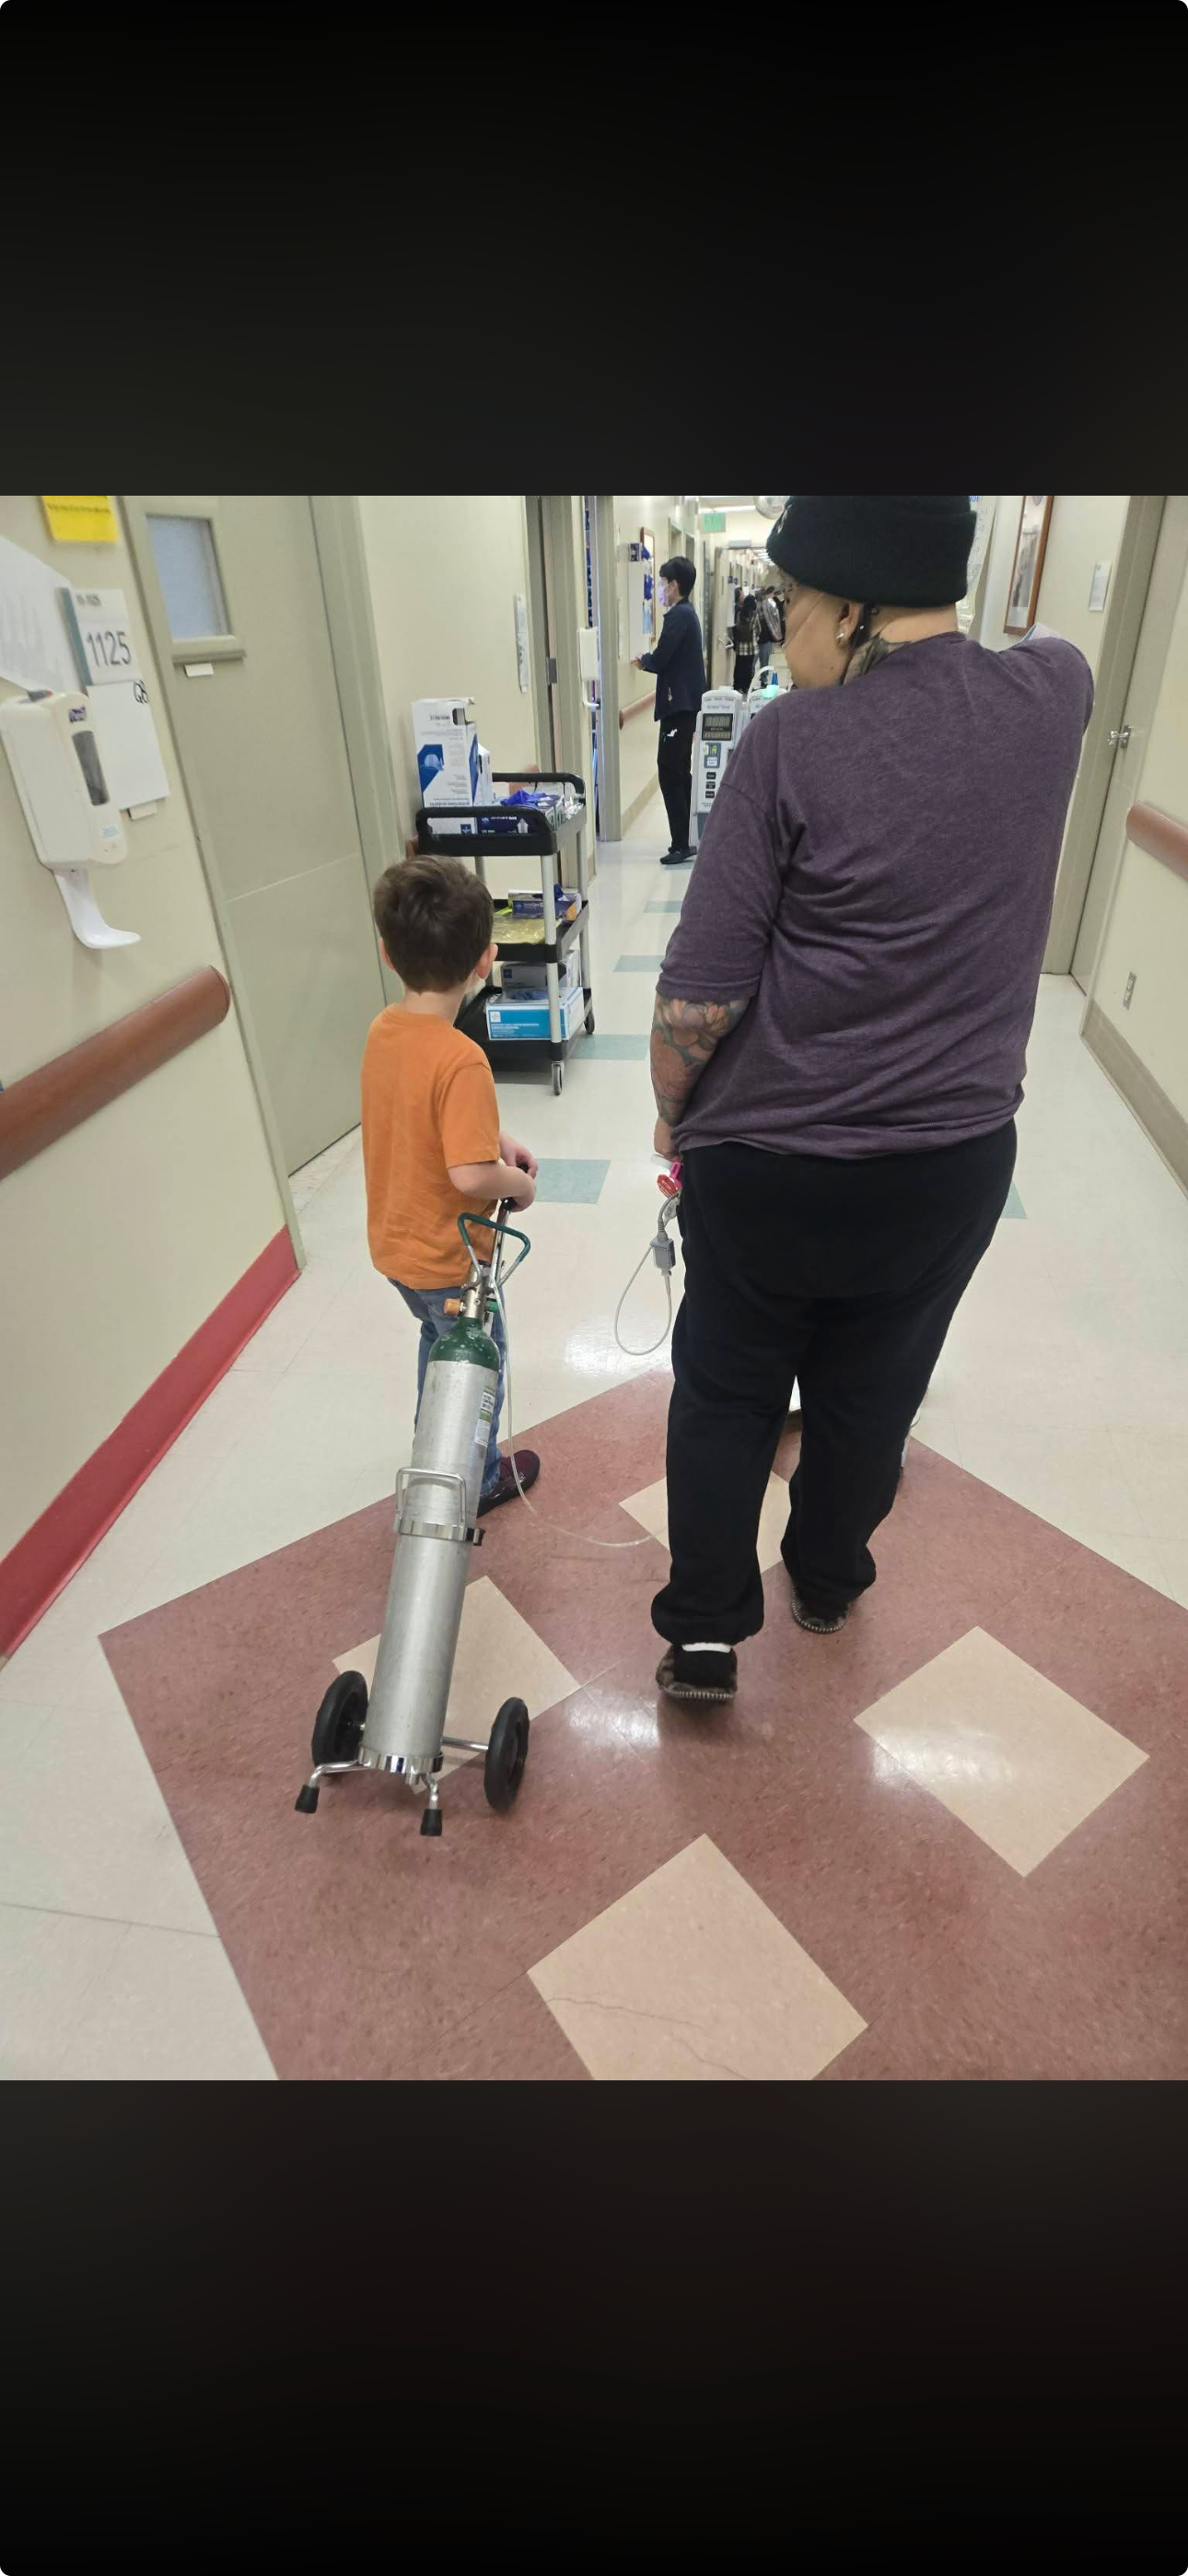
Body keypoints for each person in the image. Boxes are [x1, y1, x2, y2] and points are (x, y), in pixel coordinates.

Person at [647, 493, 1094, 1706]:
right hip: (951, 1164)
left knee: (728, 1389)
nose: (784, 628)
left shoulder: (790, 743)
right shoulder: (1051, 699)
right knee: (874, 1389)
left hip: (771, 1163)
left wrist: (671, 1111)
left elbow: (698, 998)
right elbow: (1053, 645)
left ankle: (704, 1631)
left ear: (848, 611)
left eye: (792, 604)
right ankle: (829, 1579)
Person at [363, 854, 541, 1513]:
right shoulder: (463, 1059)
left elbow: (421, 1117)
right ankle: (476, 1475)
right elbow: (469, 1175)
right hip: (449, 1261)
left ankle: (431, 1448)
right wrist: (516, 1185)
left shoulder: (385, 1031)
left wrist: (496, 1140)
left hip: (397, 1250)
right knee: (477, 1358)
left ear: (388, 953)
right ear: (486, 960)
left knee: (438, 1343)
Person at [634, 556, 706, 864]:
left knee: (670, 772)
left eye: (662, 583)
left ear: (674, 585)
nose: (660, 589)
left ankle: (681, 843)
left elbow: (663, 657)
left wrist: (644, 661)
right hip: (683, 705)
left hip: (680, 707)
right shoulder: (686, 613)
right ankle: (688, 838)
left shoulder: (679, 615)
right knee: (678, 772)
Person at [731, 589, 761, 694]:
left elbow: (736, 627)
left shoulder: (739, 614)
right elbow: (758, 629)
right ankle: (747, 687)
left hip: (740, 647)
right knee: (748, 668)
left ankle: (737, 686)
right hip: (751, 647)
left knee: (739, 666)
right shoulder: (755, 615)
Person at [757, 586, 785, 670]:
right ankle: (763, 675)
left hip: (766, 637)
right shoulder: (761, 606)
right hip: (763, 637)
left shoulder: (773, 602)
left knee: (765, 660)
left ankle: (764, 676)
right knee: (763, 660)